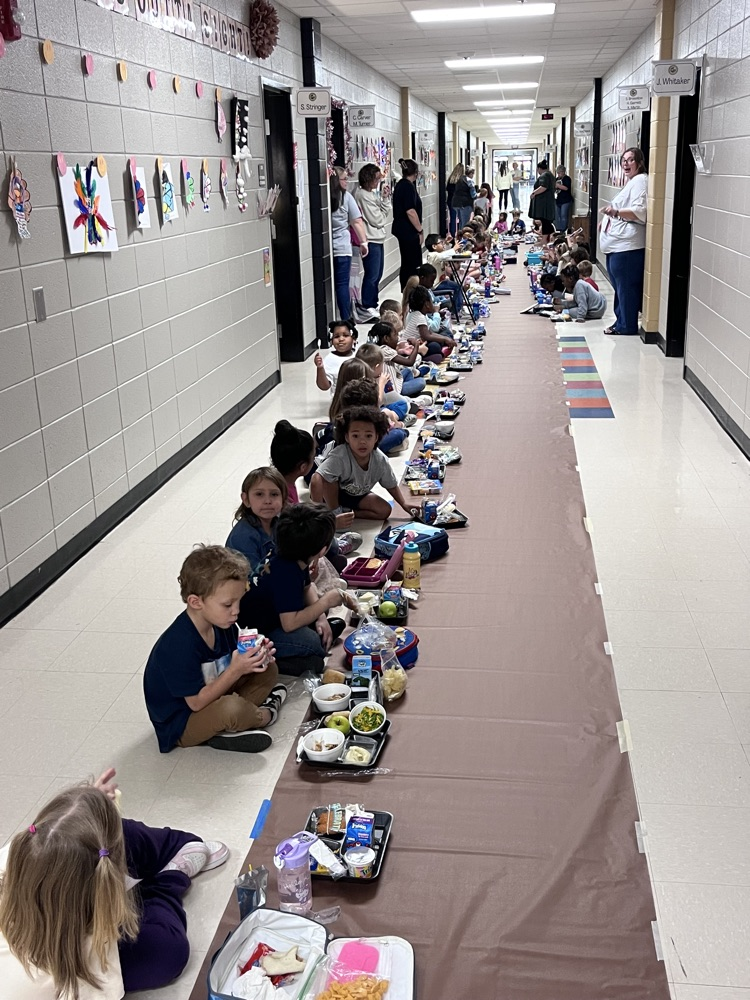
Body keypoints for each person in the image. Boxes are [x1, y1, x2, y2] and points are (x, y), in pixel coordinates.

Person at [0, 768, 230, 998]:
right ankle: (168, 876)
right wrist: (170, 880)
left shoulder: (22, 847)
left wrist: (82, 811)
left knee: (84, 838)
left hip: (70, 908)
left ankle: (136, 846)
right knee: (168, 951)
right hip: (74, 948)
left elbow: (49, 837)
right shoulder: (73, 972)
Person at [144, 545, 285, 754]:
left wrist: (255, 655)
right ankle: (264, 715)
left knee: (269, 669)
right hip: (183, 722)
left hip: (216, 694)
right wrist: (236, 670)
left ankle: (228, 729)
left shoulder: (221, 623)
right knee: (231, 709)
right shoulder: (177, 645)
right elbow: (196, 703)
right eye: (228, 604)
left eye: (239, 601)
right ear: (195, 602)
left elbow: (230, 662)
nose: (236, 611)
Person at [238, 505, 352, 677]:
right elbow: (289, 624)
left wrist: (321, 618)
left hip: (278, 613)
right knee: (313, 646)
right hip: (259, 632)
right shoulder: (287, 572)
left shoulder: (292, 552)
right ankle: (273, 660)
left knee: (319, 610)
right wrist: (325, 601)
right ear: (322, 550)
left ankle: (315, 632)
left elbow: (307, 587)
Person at [270, 420, 362, 567]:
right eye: (313, 458)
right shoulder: (280, 491)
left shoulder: (280, 480)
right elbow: (294, 531)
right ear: (303, 467)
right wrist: (332, 523)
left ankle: (333, 549)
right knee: (326, 539)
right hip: (287, 545)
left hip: (288, 539)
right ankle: (333, 550)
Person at [311, 405, 419, 522]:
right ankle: (334, 512)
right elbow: (316, 479)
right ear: (347, 437)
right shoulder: (340, 455)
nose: (362, 442)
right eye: (355, 436)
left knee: (384, 510)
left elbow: (391, 485)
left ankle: (347, 512)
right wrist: (317, 515)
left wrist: (404, 504)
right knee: (329, 478)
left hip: (356, 495)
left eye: (368, 436)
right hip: (332, 495)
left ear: (376, 437)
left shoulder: (380, 460)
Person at [599, 146, 648, 336]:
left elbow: (640, 212)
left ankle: (626, 326)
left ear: (640, 163)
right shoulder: (631, 182)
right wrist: (606, 222)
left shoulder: (640, 181)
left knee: (626, 288)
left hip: (627, 248)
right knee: (620, 288)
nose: (626, 164)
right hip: (617, 247)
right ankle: (621, 321)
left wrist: (615, 212)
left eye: (630, 160)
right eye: (624, 160)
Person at [225, 466, 288, 576]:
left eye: (274, 494)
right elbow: (254, 580)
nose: (268, 501)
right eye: (259, 494)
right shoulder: (243, 537)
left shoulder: (279, 524)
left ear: (283, 498)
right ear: (246, 500)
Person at [329, 166, 368, 323]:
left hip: (328, 248)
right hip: (342, 249)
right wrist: (364, 242)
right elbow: (357, 221)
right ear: (336, 180)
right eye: (344, 179)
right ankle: (345, 319)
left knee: (333, 285)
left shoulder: (324, 196)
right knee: (342, 285)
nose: (346, 182)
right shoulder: (345, 197)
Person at [354, 162, 390, 321]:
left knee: (377, 274)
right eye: (375, 179)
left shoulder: (371, 194)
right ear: (367, 179)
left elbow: (382, 214)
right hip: (371, 240)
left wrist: (384, 198)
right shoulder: (362, 195)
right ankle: (367, 306)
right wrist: (383, 207)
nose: (377, 182)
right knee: (372, 274)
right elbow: (378, 219)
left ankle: (372, 304)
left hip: (377, 238)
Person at [372, 319, 427, 399]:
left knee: (408, 371)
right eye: (395, 335)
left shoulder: (376, 348)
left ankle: (411, 390)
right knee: (421, 382)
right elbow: (410, 362)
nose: (398, 338)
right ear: (386, 338)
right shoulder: (384, 349)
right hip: (393, 391)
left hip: (394, 379)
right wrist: (416, 345)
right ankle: (405, 394)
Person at [391, 158, 423, 290]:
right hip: (408, 231)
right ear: (415, 172)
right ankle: (411, 292)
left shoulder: (401, 185)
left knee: (407, 262)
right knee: (412, 264)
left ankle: (407, 290)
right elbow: (410, 211)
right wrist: (420, 230)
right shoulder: (407, 187)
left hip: (403, 230)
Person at [404, 285, 455, 362]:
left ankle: (435, 355)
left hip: (419, 344)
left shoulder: (415, 314)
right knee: (435, 346)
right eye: (432, 302)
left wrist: (445, 339)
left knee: (442, 338)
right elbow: (427, 335)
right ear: (427, 304)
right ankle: (428, 357)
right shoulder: (419, 316)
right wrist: (445, 339)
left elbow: (430, 333)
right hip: (413, 348)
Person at [314, 320, 357, 393]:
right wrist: (320, 368)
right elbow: (324, 386)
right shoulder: (330, 359)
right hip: (340, 401)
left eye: (345, 335)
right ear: (331, 341)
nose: (341, 339)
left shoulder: (359, 355)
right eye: (336, 336)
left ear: (354, 339)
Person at [529, 159, 556, 245]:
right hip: (548, 202)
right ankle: (546, 240)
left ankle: (545, 240)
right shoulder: (550, 175)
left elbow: (543, 187)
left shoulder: (544, 176)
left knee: (545, 222)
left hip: (544, 203)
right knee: (546, 222)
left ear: (539, 168)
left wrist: (534, 193)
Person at [450, 166, 475, 231]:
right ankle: (464, 238)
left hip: (456, 203)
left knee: (460, 222)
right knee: (465, 223)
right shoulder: (469, 181)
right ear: (471, 174)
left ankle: (459, 237)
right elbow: (473, 195)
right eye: (473, 174)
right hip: (465, 204)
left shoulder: (459, 179)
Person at [446, 163, 465, 237]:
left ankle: (453, 234)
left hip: (451, 201)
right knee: (461, 218)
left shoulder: (450, 179)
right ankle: (460, 234)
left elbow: (447, 189)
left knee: (453, 218)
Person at [554, 164, 574, 234]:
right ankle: (559, 229)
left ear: (563, 172)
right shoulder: (557, 179)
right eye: (557, 173)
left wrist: (558, 185)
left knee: (563, 216)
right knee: (558, 216)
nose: (558, 174)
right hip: (558, 200)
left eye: (559, 173)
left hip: (566, 200)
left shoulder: (567, 179)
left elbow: (566, 188)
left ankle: (563, 230)